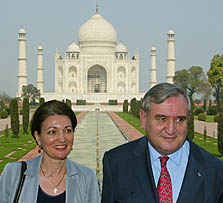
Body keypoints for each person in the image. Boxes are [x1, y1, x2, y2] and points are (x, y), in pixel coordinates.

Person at [101, 83, 223, 203]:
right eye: (162, 119)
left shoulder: (215, 171)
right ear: (143, 118)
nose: (171, 130)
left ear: (188, 119)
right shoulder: (117, 162)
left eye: (180, 119)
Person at [0, 100, 100, 203]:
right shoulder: (14, 173)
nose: (62, 138)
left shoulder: (87, 177)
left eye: (67, 130)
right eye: (52, 132)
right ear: (38, 137)